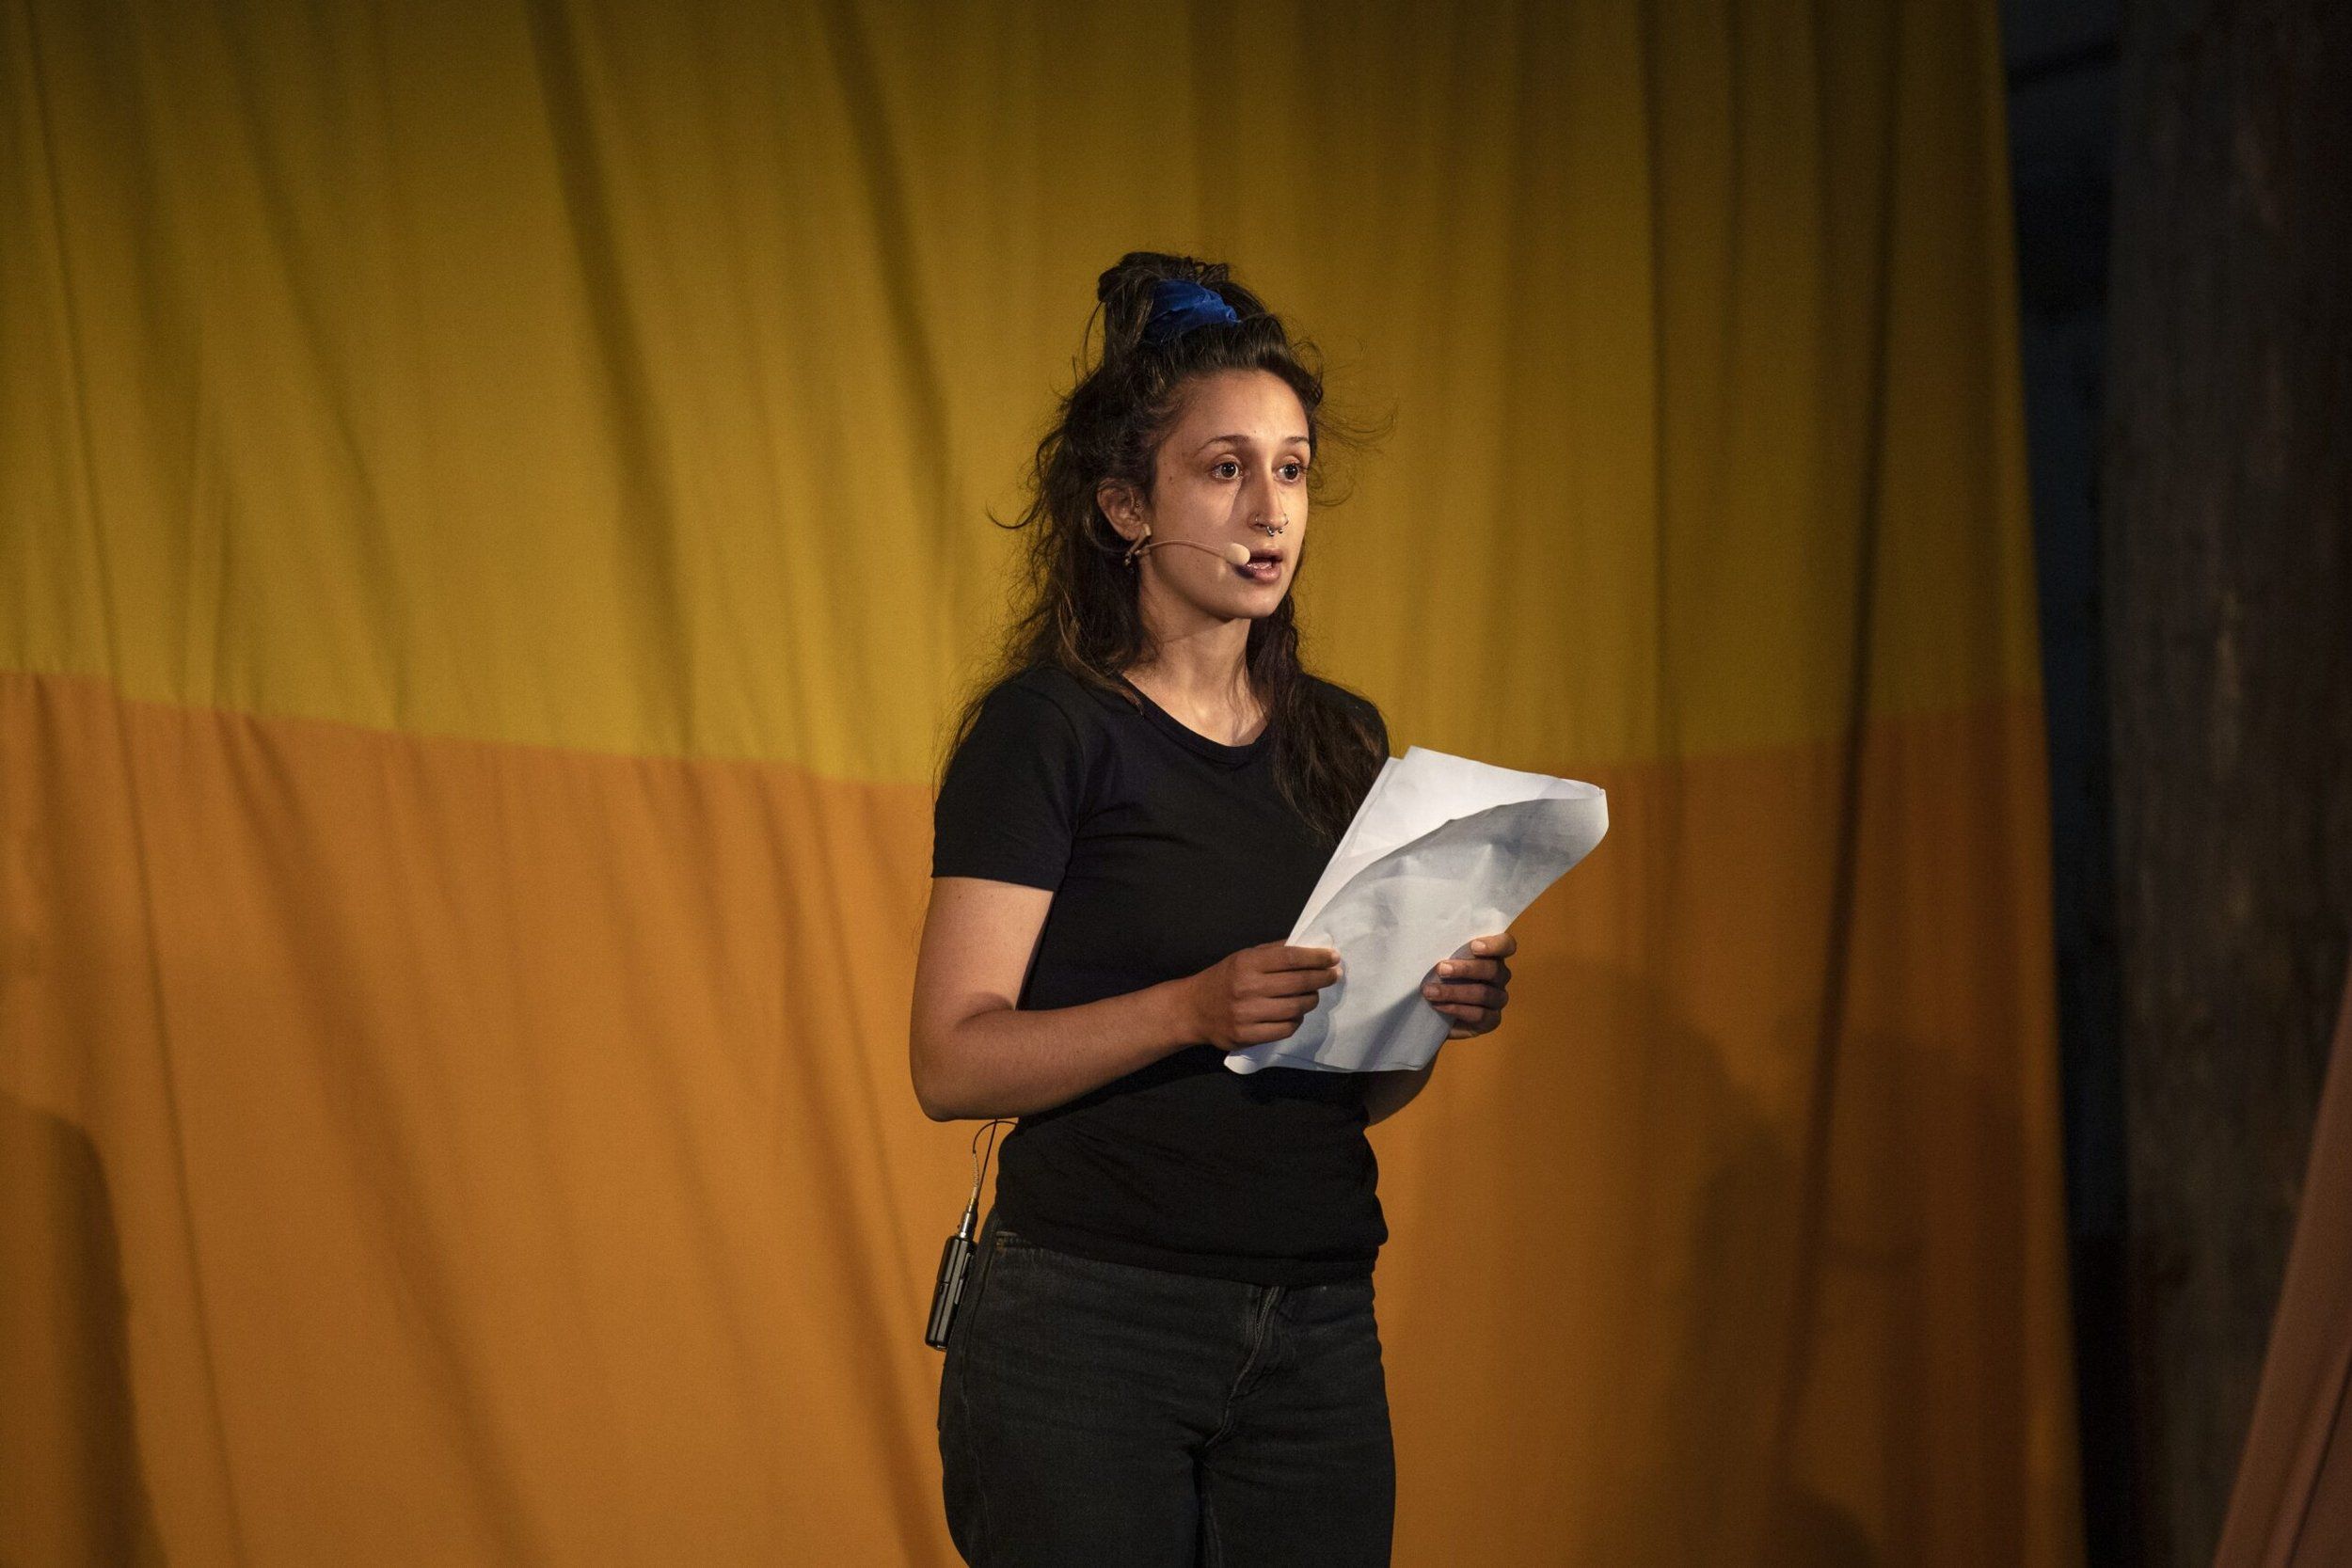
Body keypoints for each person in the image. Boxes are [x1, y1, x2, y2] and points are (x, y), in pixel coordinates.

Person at [909, 252, 1519, 1566]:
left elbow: (1352, 1091)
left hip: (1316, 1323)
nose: (1268, 511)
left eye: (1292, 470)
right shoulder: (1049, 731)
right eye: (1224, 468)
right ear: (1125, 506)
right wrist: (1190, 1008)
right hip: (1090, 1325)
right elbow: (952, 1062)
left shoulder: (1343, 743)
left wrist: (1427, 1011)